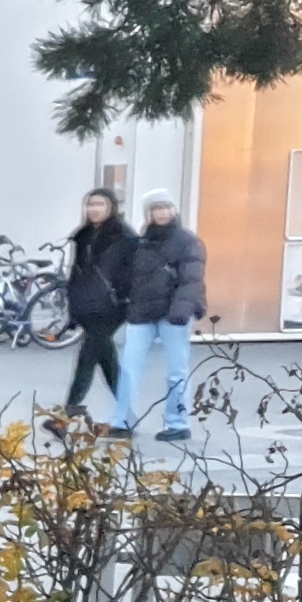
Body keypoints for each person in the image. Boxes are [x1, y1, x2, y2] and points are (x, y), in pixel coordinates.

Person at [119, 189, 205, 441]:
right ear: (149, 213)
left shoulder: (188, 242)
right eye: (156, 208)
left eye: (166, 207)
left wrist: (180, 312)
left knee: (177, 370)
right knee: (129, 366)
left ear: (174, 210)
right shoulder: (142, 243)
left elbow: (192, 280)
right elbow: (133, 279)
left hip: (174, 315)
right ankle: (121, 420)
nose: (162, 213)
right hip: (143, 313)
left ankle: (177, 423)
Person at [59, 187, 130, 419]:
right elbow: (76, 273)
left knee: (87, 356)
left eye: (100, 205)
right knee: (107, 361)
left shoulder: (123, 236)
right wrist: (73, 307)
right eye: (91, 204)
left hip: (111, 308)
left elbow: (131, 274)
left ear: (111, 207)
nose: (94, 209)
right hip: (87, 307)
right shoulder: (83, 236)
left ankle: (69, 411)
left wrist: (124, 300)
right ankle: (127, 414)